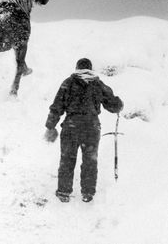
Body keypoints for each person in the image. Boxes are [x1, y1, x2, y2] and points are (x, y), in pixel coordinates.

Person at [44, 58, 123, 203]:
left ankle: (64, 192)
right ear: (91, 69)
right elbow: (113, 105)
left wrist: (50, 126)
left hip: (71, 127)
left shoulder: (68, 83)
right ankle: (87, 192)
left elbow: (57, 106)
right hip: (91, 128)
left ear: (76, 68)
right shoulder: (98, 84)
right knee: (90, 161)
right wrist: (119, 104)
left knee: (67, 159)